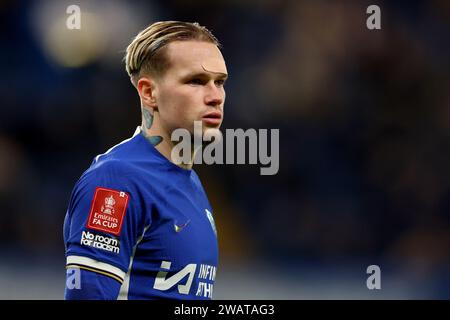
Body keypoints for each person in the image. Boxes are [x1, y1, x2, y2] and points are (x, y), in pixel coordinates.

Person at [63, 21, 228, 300]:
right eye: (196, 81)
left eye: (220, 82)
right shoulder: (117, 179)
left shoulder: (190, 182)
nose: (215, 97)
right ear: (149, 92)